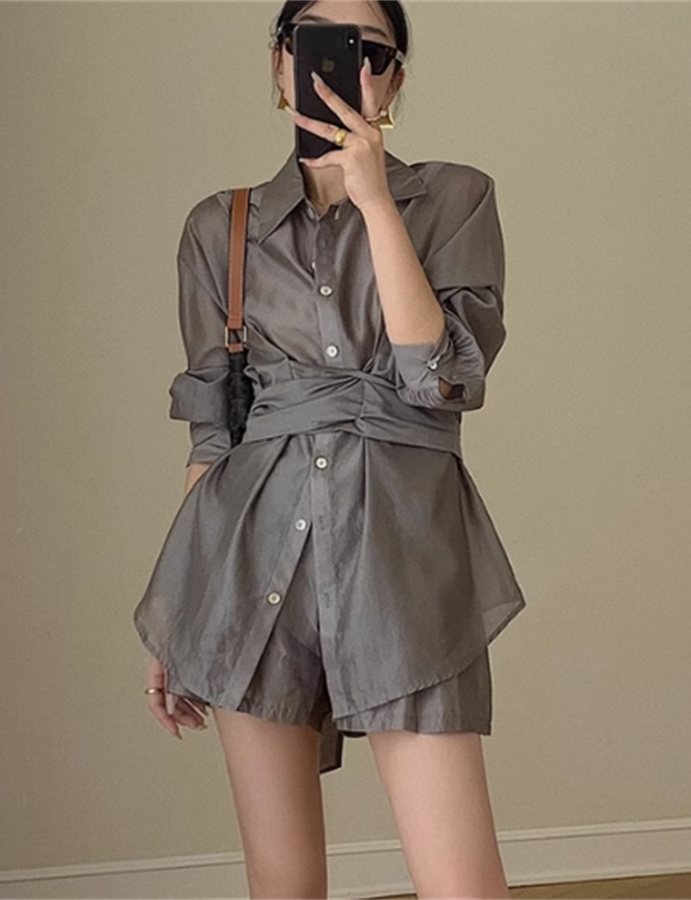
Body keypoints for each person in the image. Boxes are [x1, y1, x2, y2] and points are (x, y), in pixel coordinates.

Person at [133, 1, 528, 897]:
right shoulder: (220, 228)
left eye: (367, 52)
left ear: (394, 78)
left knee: (462, 886)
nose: (337, 69)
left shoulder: (455, 198)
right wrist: (181, 611)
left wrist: (376, 200)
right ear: (279, 67)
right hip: (249, 570)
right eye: (310, 45)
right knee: (283, 886)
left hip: (402, 561)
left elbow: (440, 378)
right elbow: (214, 433)